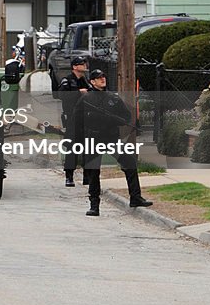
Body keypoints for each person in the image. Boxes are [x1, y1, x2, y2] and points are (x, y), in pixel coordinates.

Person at [75, 69, 153, 216]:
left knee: (129, 163)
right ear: (92, 82)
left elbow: (126, 115)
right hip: (93, 138)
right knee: (93, 172)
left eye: (103, 76)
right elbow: (77, 120)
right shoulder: (86, 99)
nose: (102, 79)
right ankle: (94, 205)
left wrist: (116, 120)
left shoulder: (113, 98)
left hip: (111, 137)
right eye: (98, 78)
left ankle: (135, 197)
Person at [57, 55, 91, 187]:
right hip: (72, 118)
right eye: (82, 64)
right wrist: (78, 92)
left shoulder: (85, 80)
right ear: (75, 67)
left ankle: (87, 175)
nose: (84, 66)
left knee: (87, 147)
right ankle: (69, 176)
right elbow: (61, 95)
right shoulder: (67, 80)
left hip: (86, 118)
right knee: (72, 148)